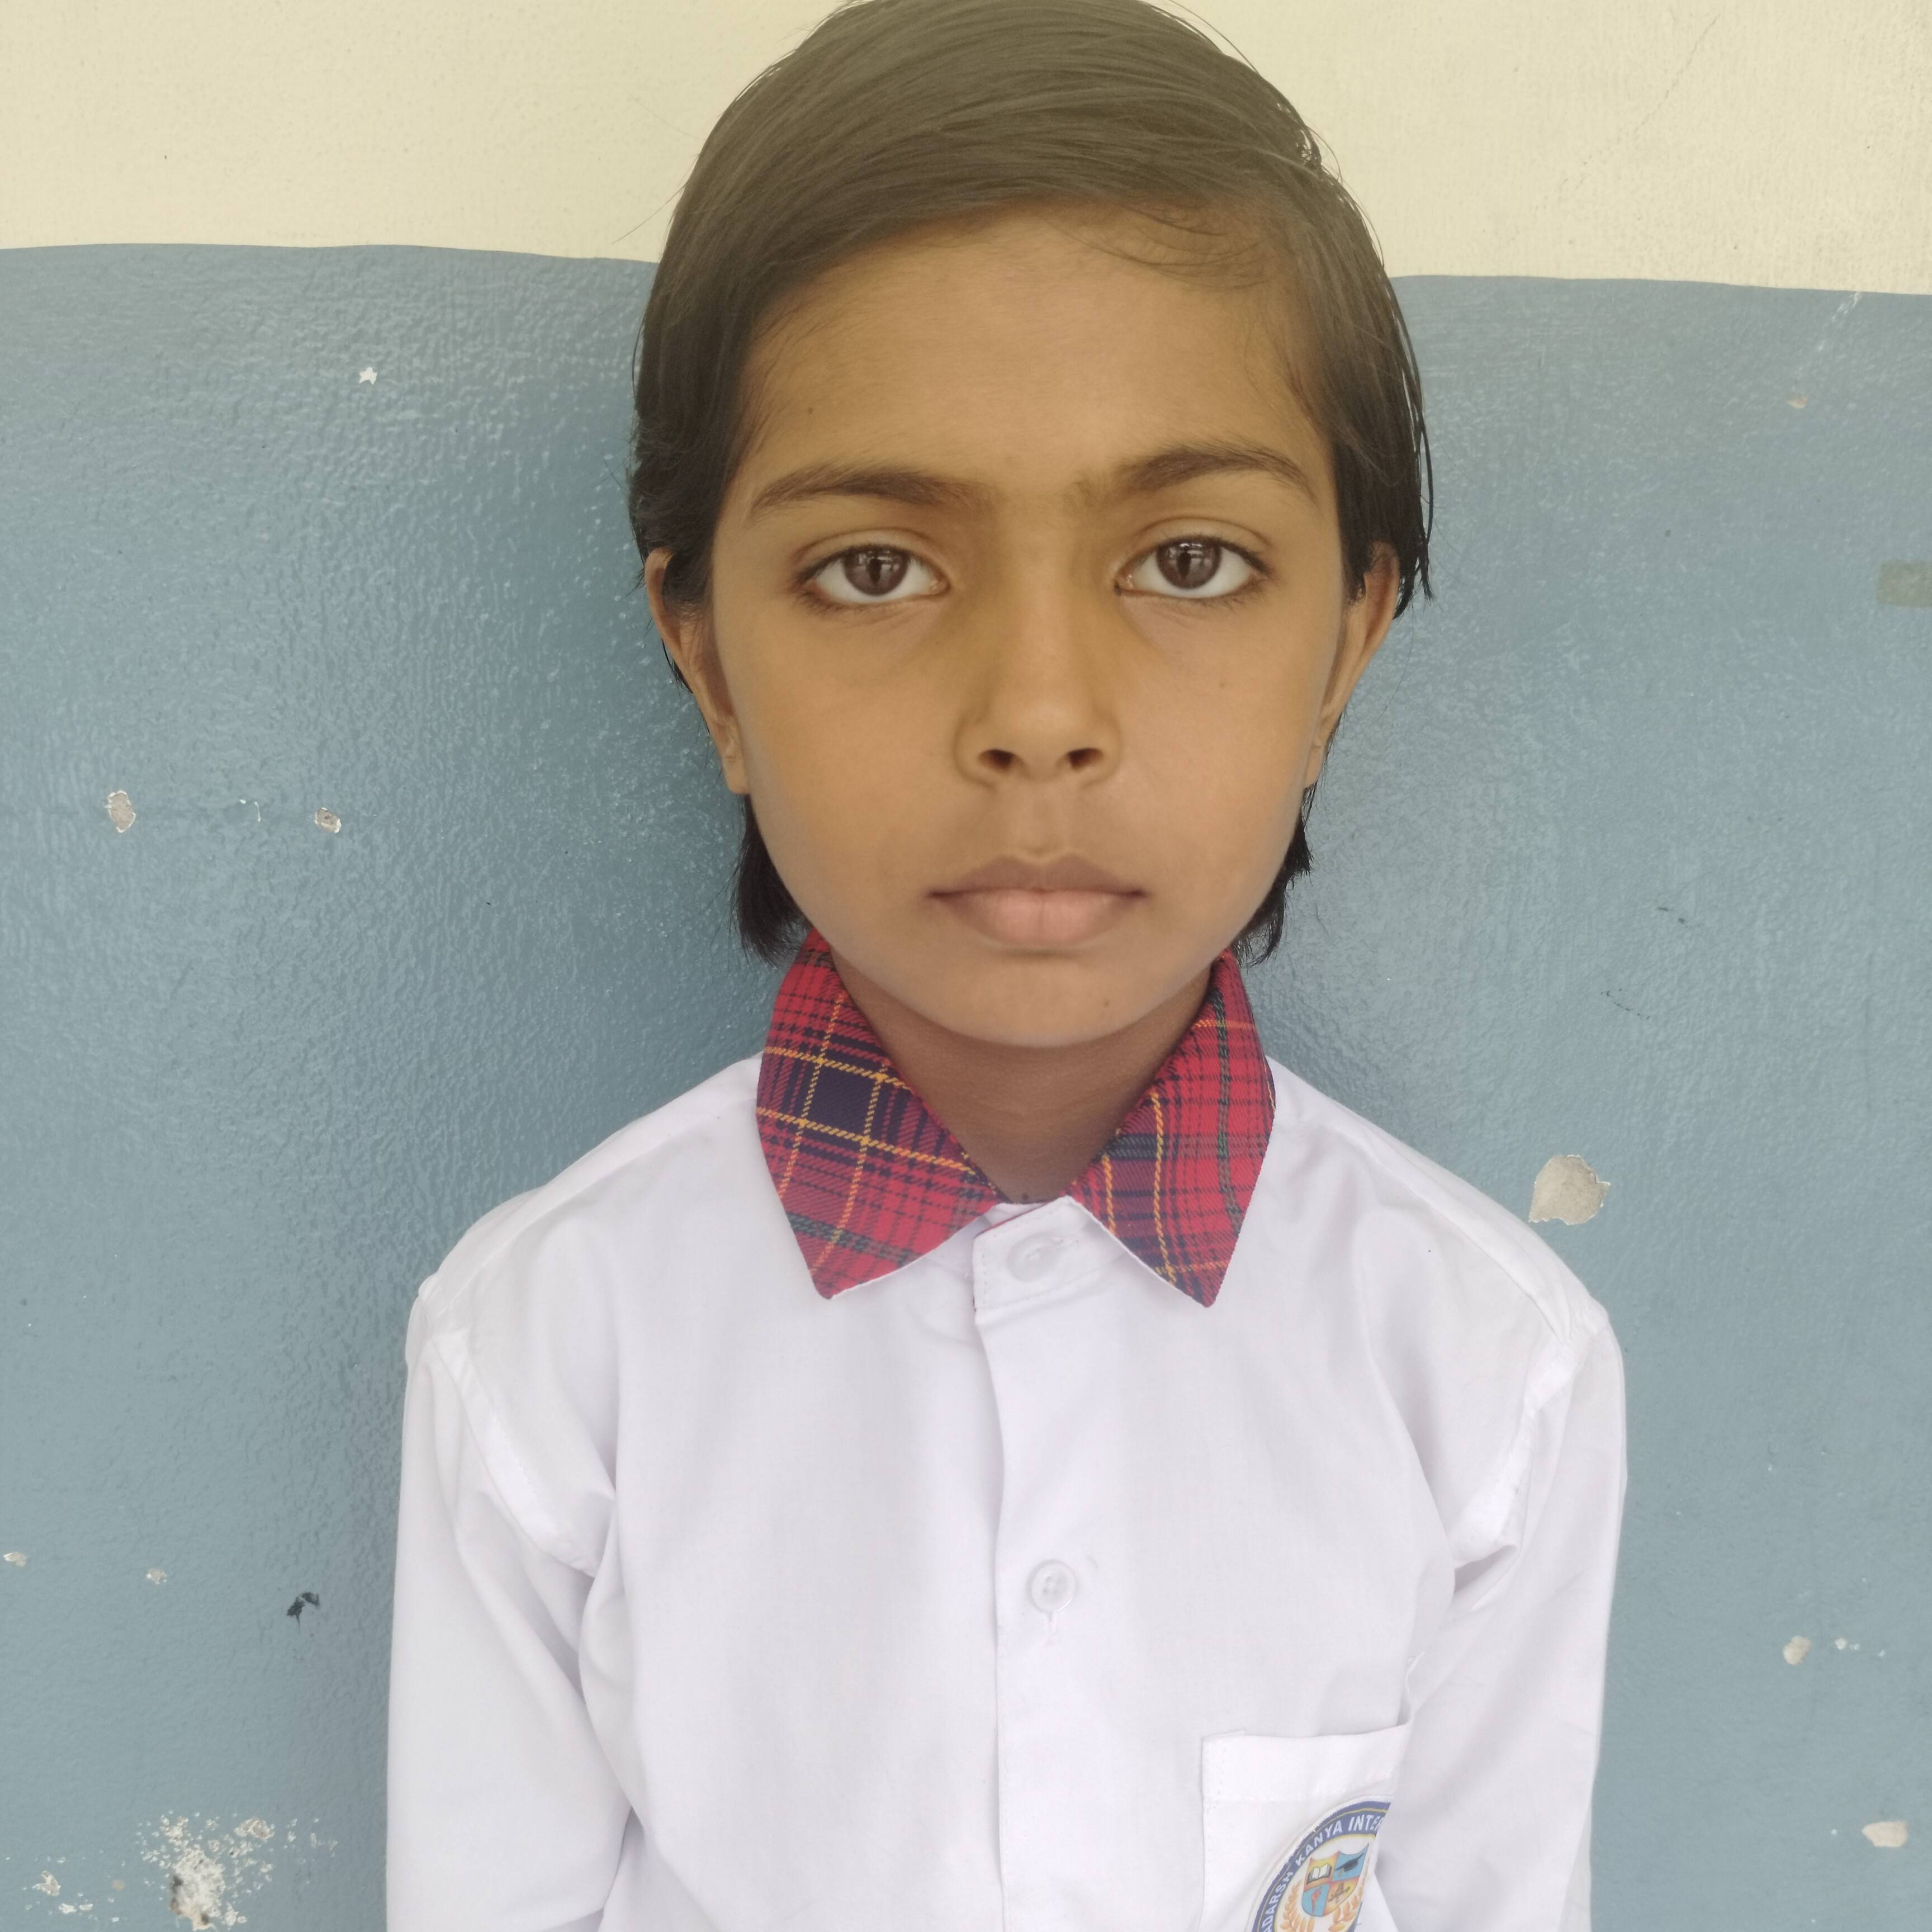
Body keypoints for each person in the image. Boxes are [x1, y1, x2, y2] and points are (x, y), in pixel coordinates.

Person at [386, 1, 1626, 1926]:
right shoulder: (553, 1346)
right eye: (875, 567)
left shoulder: (1487, 1365)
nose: (1039, 714)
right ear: (705, 658)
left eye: (1190, 561)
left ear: (1347, 645)